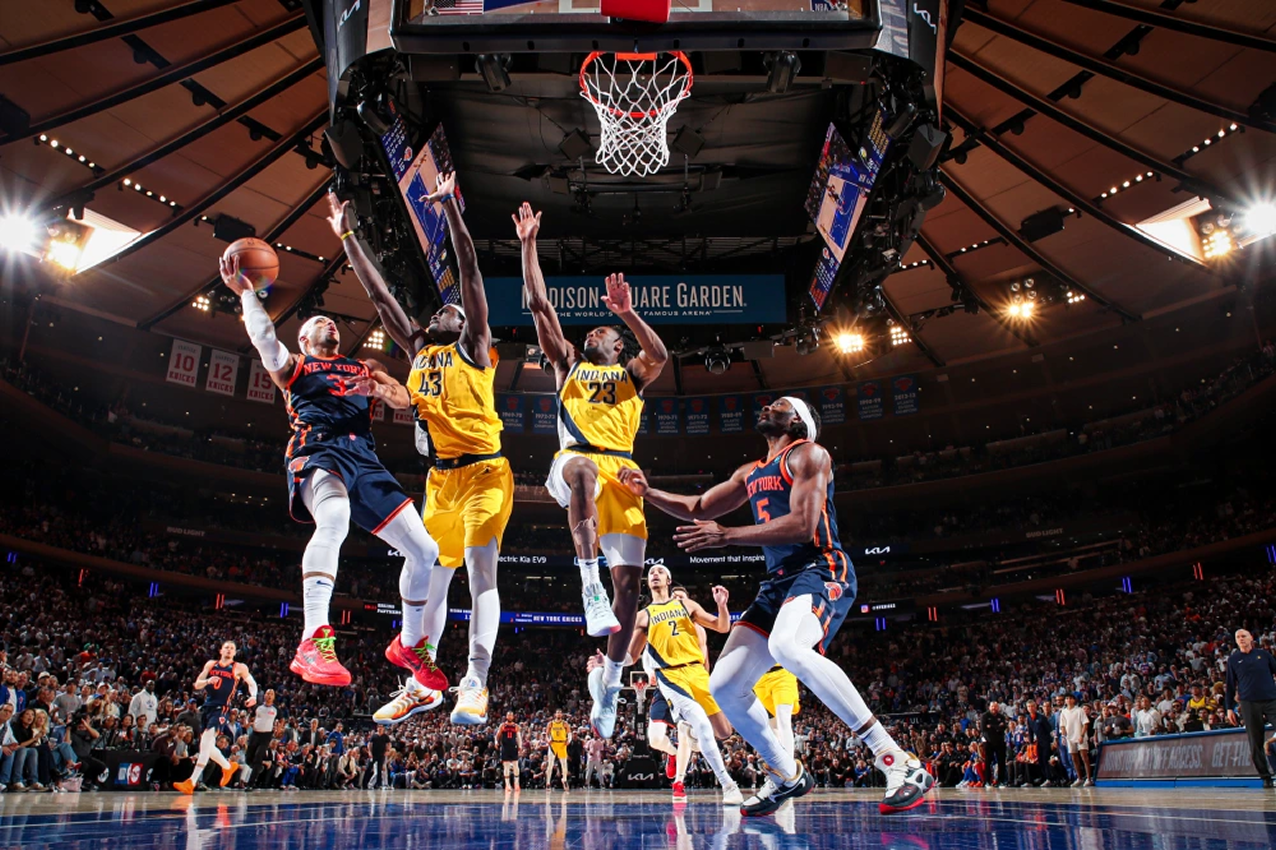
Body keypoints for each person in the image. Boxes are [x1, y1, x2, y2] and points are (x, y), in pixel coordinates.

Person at [619, 397, 934, 816]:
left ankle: (897, 760)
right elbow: (698, 507)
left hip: (821, 567)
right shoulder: (751, 471)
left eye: (780, 404)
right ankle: (786, 773)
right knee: (724, 685)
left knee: (787, 646)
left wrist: (727, 536)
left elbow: (803, 525)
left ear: (798, 421)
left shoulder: (809, 455)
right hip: (778, 583)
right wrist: (648, 491)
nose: (768, 406)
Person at [333, 174, 512, 726]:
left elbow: (470, 273)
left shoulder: (474, 347)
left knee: (480, 572)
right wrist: (347, 238)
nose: (440, 313)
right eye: (438, 312)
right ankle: (422, 683)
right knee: (431, 575)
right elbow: (380, 297)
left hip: (485, 474)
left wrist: (450, 208)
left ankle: (475, 681)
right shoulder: (419, 353)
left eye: (449, 312)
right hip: (441, 480)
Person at [222, 252, 443, 691]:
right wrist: (247, 294)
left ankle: (409, 643)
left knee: (425, 551)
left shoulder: (364, 366)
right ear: (304, 339)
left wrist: (378, 387)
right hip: (318, 447)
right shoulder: (295, 366)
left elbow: (405, 399)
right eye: (320, 322)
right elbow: (264, 337)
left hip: (365, 458)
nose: (331, 324)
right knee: (335, 519)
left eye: (333, 322)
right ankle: (313, 638)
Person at [515, 202, 668, 739]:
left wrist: (627, 312)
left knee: (630, 588)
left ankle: (611, 685)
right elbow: (539, 306)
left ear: (617, 345)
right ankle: (587, 585)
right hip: (576, 459)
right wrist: (529, 245)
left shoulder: (632, 375)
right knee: (580, 469)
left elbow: (659, 354)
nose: (591, 334)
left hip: (622, 470)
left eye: (602, 331)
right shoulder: (567, 364)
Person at [616, 564, 741, 805]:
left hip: (697, 672)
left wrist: (722, 605)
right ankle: (728, 785)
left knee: (724, 732)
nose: (655, 574)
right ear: (648, 582)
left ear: (669, 580)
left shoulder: (686, 605)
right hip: (671, 676)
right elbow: (631, 657)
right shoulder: (644, 616)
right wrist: (608, 661)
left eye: (660, 571)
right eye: (651, 572)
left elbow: (722, 626)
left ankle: (691, 731)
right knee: (702, 724)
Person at [174, 641, 258, 795]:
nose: (229, 650)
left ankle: (191, 781)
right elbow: (197, 685)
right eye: (226, 647)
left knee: (206, 742)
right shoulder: (211, 664)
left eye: (232, 648)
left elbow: (252, 683)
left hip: (222, 708)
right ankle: (227, 767)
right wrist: (208, 681)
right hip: (207, 707)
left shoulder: (239, 667)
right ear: (221, 650)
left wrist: (253, 696)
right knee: (207, 746)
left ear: (235, 653)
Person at [1225, 628, 1276, 787]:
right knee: (1255, 741)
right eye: (1238, 637)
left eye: (1243, 636)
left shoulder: (1264, 655)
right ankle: (1266, 777)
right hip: (1249, 703)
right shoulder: (1234, 660)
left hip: (1271, 699)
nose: (1241, 639)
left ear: (1251, 638)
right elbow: (1230, 685)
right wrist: (1229, 708)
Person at [754, 665, 801, 761]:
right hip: (758, 678)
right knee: (772, 724)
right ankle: (779, 761)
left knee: (783, 719)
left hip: (782, 674)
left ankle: (789, 762)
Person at [244, 689, 278, 789]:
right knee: (249, 757)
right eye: (268, 693)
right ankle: (258, 768)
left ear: (274, 697)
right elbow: (250, 716)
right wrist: (248, 723)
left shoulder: (275, 709)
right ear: (264, 695)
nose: (269, 696)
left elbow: (281, 719)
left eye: (271, 694)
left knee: (258, 757)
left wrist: (278, 728)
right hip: (255, 734)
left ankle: (250, 783)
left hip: (266, 736)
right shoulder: (258, 707)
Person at [1058, 694, 1093, 786]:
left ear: (1074, 700)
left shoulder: (1079, 710)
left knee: (1084, 757)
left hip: (1080, 736)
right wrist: (1063, 736)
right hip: (1070, 737)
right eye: (1067, 698)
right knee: (1074, 758)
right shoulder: (1063, 712)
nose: (1068, 700)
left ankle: (1089, 778)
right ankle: (1079, 778)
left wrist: (1082, 735)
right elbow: (1062, 725)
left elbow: (1085, 723)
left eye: (1070, 698)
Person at [979, 701, 1008, 787]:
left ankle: (1001, 781)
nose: (994, 708)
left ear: (998, 708)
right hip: (988, 742)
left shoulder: (1001, 716)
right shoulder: (984, 716)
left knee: (1001, 762)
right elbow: (983, 728)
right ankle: (987, 781)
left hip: (1000, 742)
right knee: (988, 762)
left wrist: (991, 726)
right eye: (992, 707)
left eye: (996, 707)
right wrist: (997, 727)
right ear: (989, 707)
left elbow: (1003, 727)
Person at [545, 710, 572, 791]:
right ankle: (548, 783)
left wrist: (569, 740)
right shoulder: (551, 723)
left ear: (562, 715)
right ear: (555, 714)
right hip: (553, 744)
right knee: (550, 764)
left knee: (564, 764)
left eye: (560, 713)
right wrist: (548, 740)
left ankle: (564, 780)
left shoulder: (565, 723)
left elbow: (569, 734)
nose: (559, 714)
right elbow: (546, 734)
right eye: (557, 713)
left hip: (562, 744)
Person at [497, 711, 522, 791]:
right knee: (506, 766)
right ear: (506, 716)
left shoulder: (516, 726)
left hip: (513, 747)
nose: (510, 716)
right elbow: (497, 735)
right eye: (508, 715)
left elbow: (519, 737)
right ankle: (507, 785)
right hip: (505, 747)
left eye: (511, 715)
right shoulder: (503, 725)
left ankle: (516, 783)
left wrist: (520, 746)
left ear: (513, 717)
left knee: (515, 765)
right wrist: (496, 742)